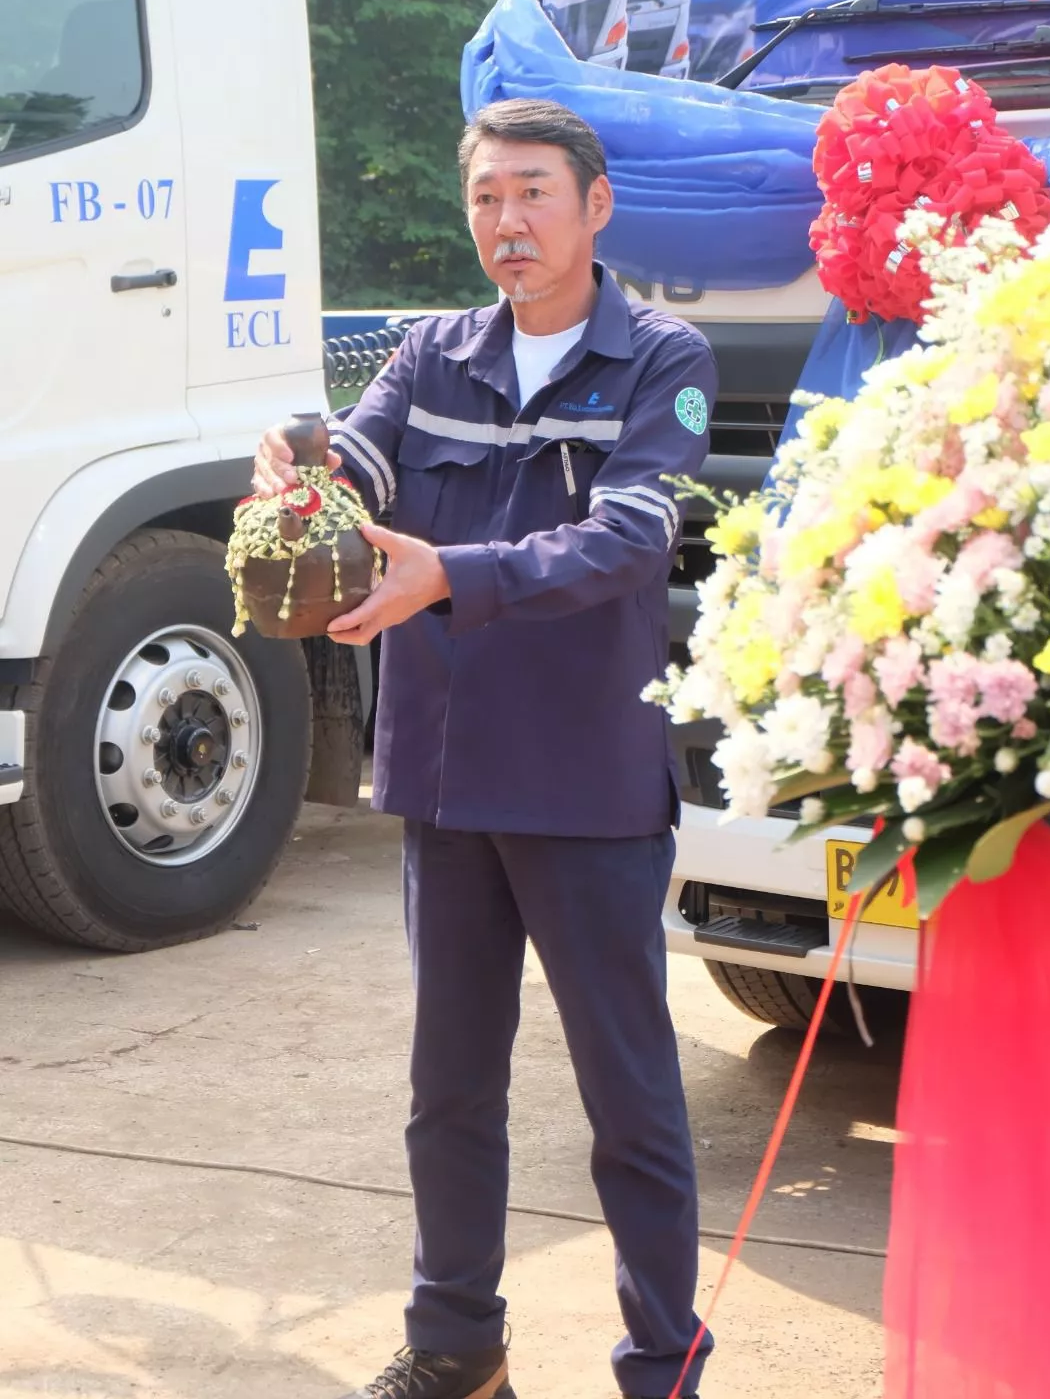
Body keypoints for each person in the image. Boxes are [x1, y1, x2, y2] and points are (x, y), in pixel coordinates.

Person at [253, 98, 717, 1399]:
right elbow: (358, 462)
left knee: (629, 1101)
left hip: (584, 780)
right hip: (446, 779)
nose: (507, 222)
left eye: (531, 192)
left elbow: (629, 538)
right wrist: (300, 480)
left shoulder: (662, 358)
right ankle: (457, 1347)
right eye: (485, 197)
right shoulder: (431, 352)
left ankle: (660, 1368)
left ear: (594, 205)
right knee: (448, 1089)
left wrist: (449, 575)